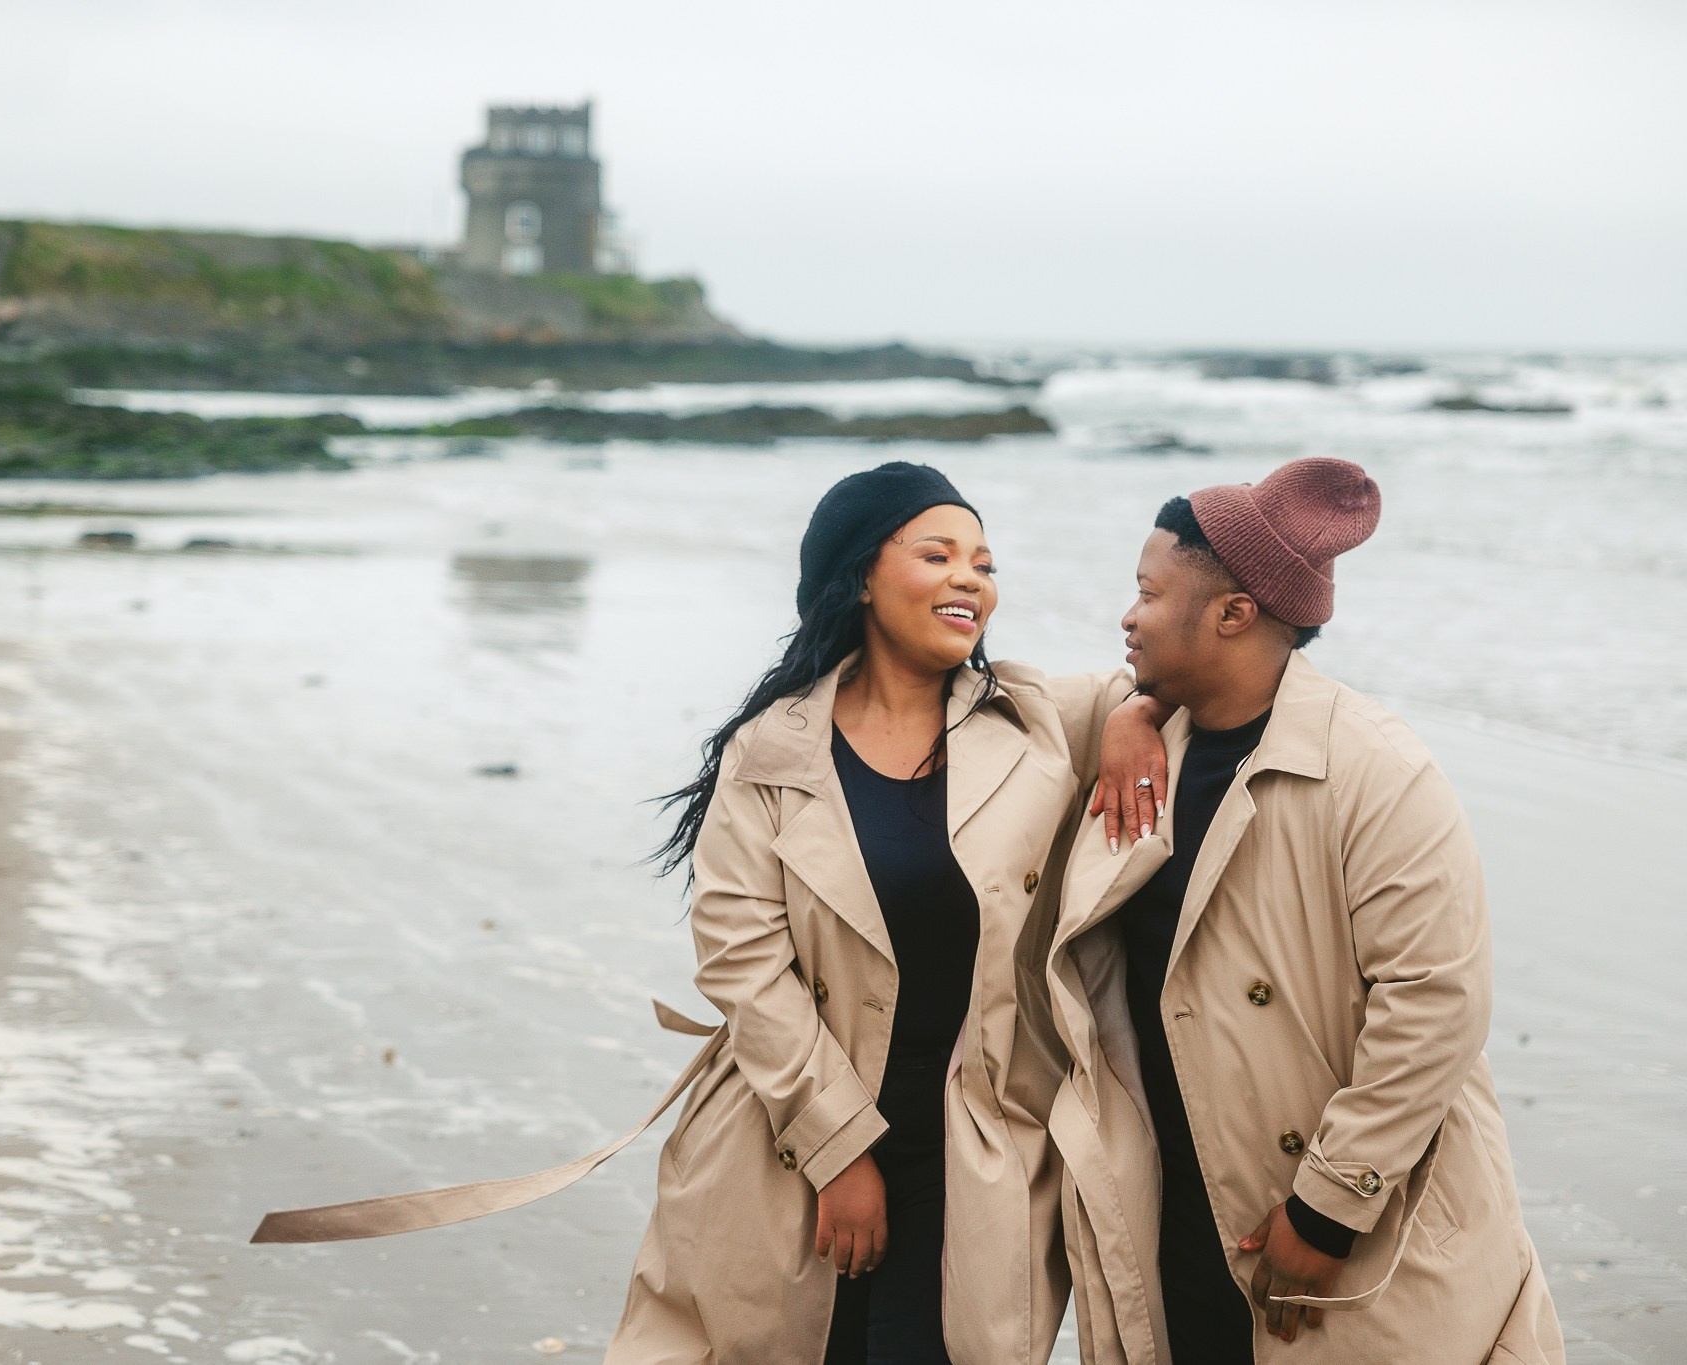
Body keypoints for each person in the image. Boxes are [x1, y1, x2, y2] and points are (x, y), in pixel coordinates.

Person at [610, 462, 1169, 1364]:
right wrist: (837, 1149)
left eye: (984, 564)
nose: (970, 579)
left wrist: (1136, 714)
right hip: (789, 1132)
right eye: (938, 553)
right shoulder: (774, 748)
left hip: (973, 1151)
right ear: (861, 576)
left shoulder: (1033, 718)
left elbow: (1172, 680)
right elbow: (741, 961)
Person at [1045, 458, 1565, 1364]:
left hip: (1333, 1224)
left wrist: (1328, 1208)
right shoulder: (1151, 732)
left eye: (1147, 591)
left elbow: (1437, 1004)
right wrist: (1129, 709)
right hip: (1179, 1204)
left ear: (1234, 614)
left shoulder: (1375, 769)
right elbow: (991, 704)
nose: (1127, 615)